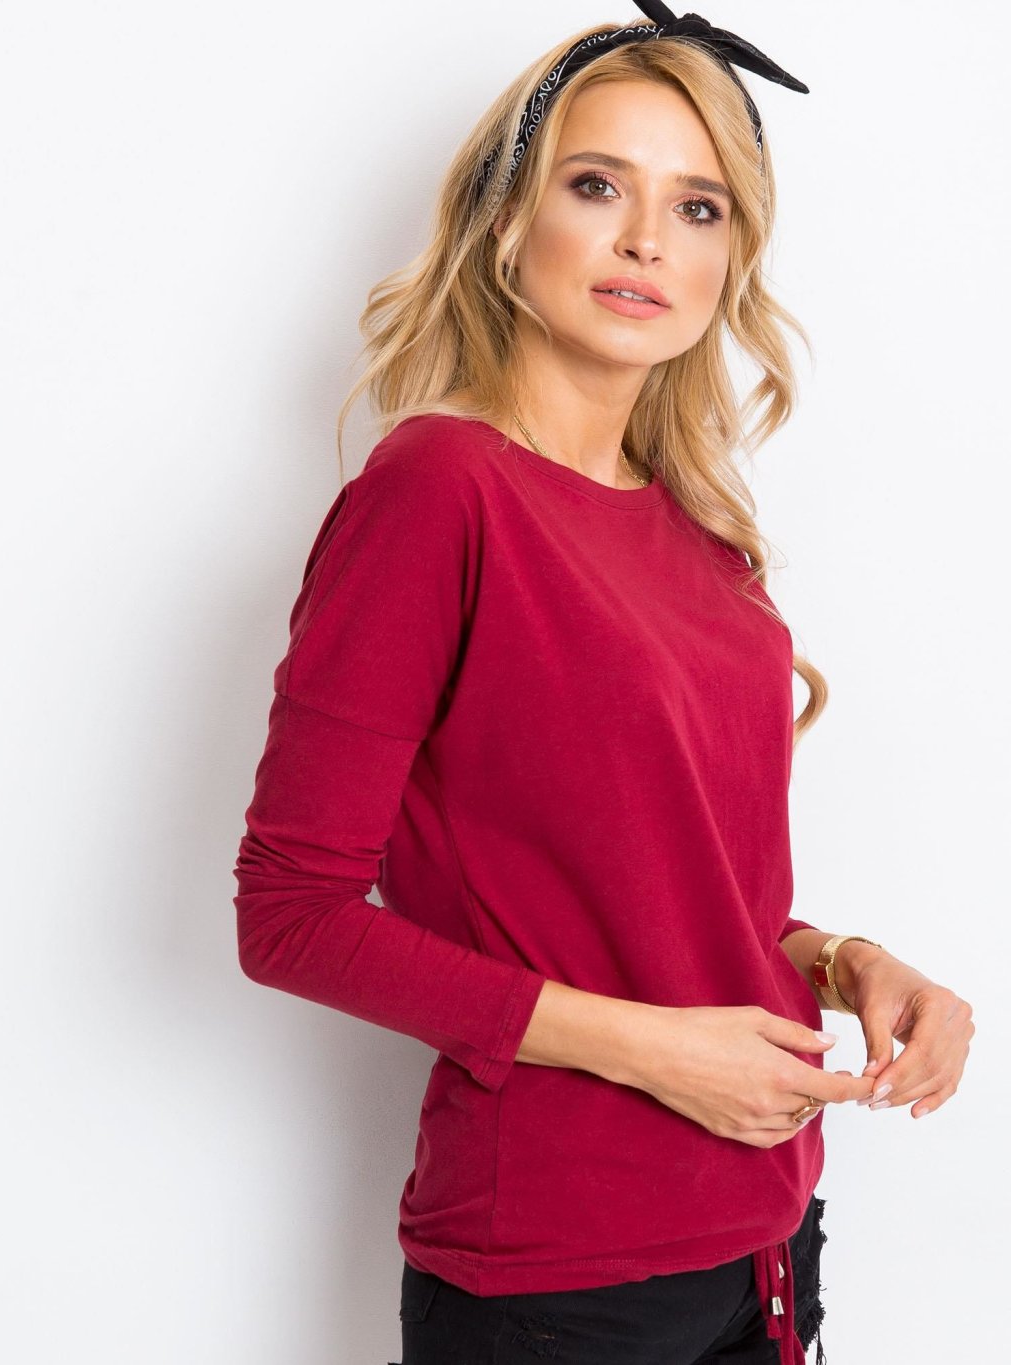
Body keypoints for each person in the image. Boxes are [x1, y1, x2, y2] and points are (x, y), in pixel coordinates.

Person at [232, 5, 974, 1362]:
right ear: (508, 222)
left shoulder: (699, 530)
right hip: (555, 1278)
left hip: (764, 1242)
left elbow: (664, 896)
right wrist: (656, 1051)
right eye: (596, 186)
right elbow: (290, 915)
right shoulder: (439, 491)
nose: (646, 240)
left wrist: (846, 962)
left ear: (731, 256)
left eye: (697, 206)